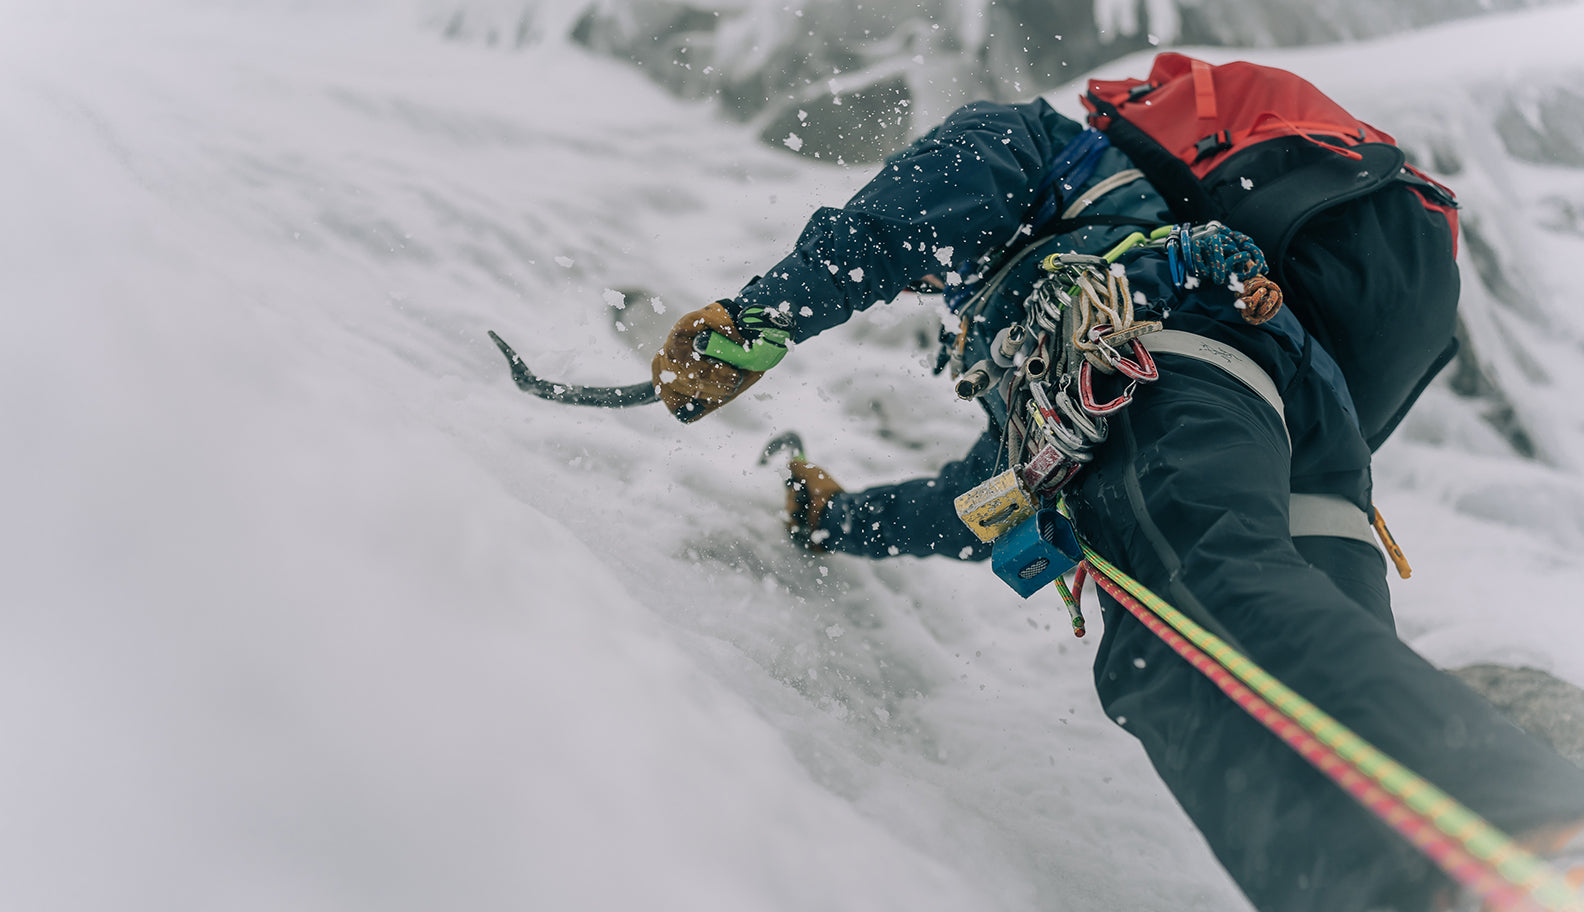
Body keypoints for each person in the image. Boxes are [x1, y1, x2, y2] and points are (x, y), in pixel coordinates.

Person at [649, 81, 1584, 912]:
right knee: (1184, 673)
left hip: (1161, 355)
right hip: (1296, 423)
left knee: (1208, 601)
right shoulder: (1048, 321)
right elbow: (991, 501)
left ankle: (1526, 829)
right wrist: (840, 520)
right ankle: (1408, 887)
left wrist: (760, 318)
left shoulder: (1026, 147)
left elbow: (893, 223)